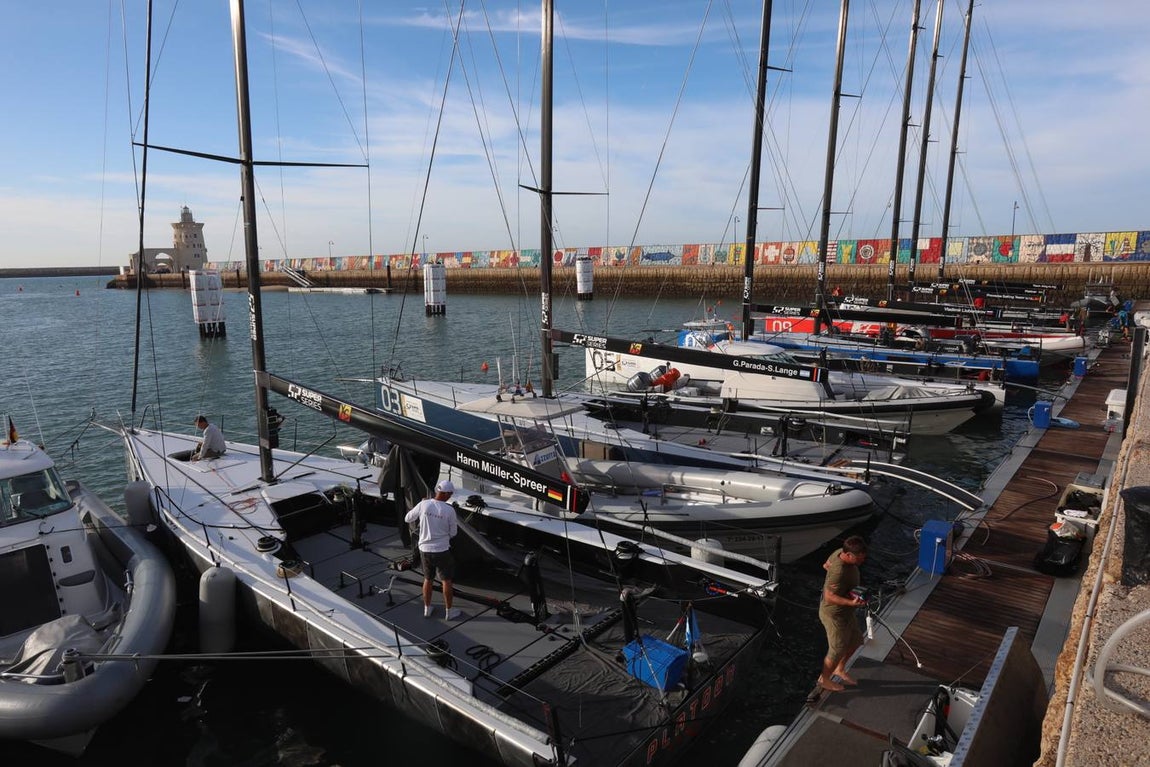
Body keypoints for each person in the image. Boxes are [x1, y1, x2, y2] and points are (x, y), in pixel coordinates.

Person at [817, 535, 868, 692]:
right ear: (848, 555)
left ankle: (839, 669)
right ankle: (824, 679)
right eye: (859, 559)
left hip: (847, 613)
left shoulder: (840, 551)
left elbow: (825, 564)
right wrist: (851, 602)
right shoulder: (838, 571)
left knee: (855, 641)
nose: (861, 562)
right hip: (834, 614)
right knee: (837, 648)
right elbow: (829, 597)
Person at [404, 479, 459, 619]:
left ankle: (427, 609)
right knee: (446, 580)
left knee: (428, 579)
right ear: (446, 494)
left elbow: (407, 518)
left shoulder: (424, 504)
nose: (451, 496)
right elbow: (453, 533)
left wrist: (422, 505)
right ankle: (449, 611)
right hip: (442, 550)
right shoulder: (449, 510)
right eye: (450, 494)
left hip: (425, 550)